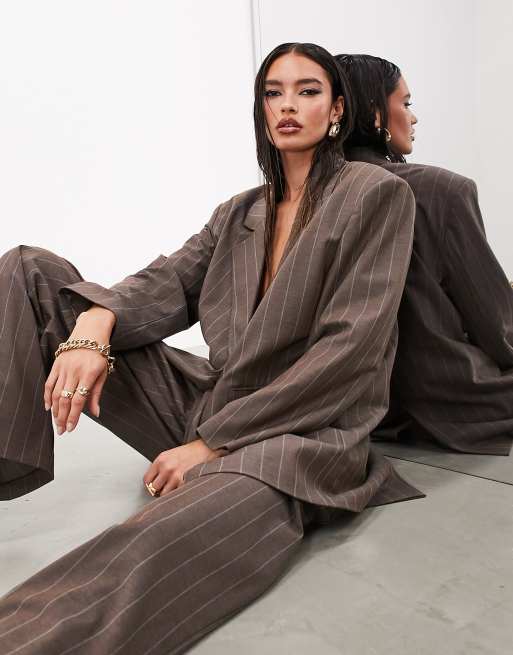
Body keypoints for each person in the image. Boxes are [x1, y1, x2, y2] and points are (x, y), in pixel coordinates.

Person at [0, 43, 423, 654]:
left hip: (300, 437)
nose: (287, 105)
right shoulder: (239, 211)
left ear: (336, 110)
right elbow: (167, 282)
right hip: (212, 403)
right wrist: (93, 324)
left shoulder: (375, 194)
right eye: (273, 93)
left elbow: (348, 352)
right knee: (28, 268)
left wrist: (212, 445)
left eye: (307, 91)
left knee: (155, 542)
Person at [335, 53, 513, 455]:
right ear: (375, 113)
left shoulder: (308, 197)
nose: (413, 118)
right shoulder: (442, 191)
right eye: (406, 103)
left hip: (359, 408)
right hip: (450, 399)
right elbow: (497, 326)